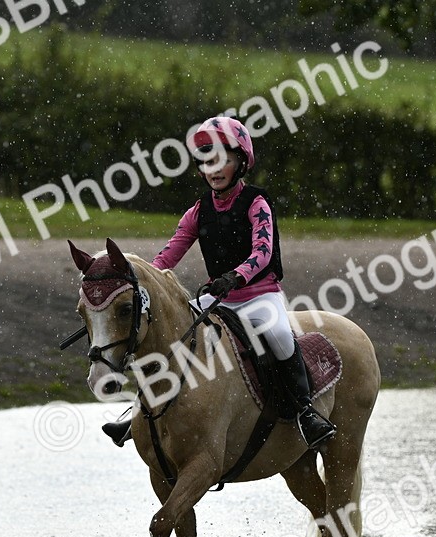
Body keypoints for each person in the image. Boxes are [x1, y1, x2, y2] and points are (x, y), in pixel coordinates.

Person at [102, 115, 336, 450]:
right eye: (207, 161)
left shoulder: (257, 203)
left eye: (222, 160)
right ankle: (141, 410)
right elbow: (169, 254)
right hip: (219, 300)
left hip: (259, 297)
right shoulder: (197, 212)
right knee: (171, 333)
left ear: (241, 162)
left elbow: (263, 251)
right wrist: (144, 279)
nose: (214, 169)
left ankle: (305, 412)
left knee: (281, 334)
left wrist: (236, 276)